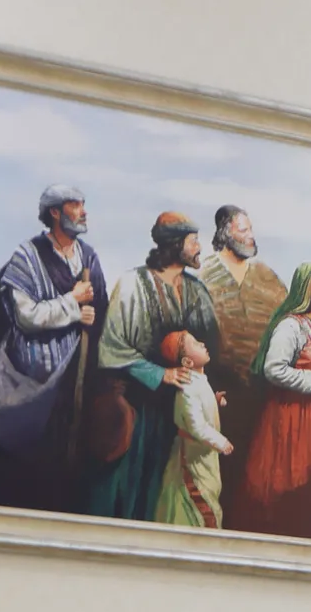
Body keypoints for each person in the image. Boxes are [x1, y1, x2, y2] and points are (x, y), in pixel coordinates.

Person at [0, 185, 106, 497]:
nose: (83, 211)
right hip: (28, 376)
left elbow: (100, 310)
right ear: (54, 212)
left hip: (73, 378)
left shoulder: (89, 257)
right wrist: (73, 304)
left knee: (64, 459)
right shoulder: (27, 256)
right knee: (17, 462)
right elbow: (27, 316)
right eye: (75, 205)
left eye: (83, 204)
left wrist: (92, 318)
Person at [85, 213, 220, 522]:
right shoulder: (133, 284)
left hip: (184, 413)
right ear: (175, 245)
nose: (200, 247)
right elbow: (112, 347)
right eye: (193, 241)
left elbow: (209, 347)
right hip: (141, 412)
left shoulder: (197, 291)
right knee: (137, 496)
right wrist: (161, 374)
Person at [227, 263, 311, 537]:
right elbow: (273, 369)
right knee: (281, 478)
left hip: (308, 415)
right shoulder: (291, 326)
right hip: (287, 416)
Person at [200, 205, 286, 466]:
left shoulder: (266, 276)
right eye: (243, 230)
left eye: (251, 229)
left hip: (261, 391)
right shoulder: (205, 276)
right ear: (226, 234)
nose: (251, 235)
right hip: (219, 393)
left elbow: (286, 319)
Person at [150, 330, 231, 527]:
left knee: (209, 494)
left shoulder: (199, 381)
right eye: (195, 344)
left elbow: (202, 405)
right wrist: (221, 441)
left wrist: (215, 400)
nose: (203, 344)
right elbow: (196, 425)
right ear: (187, 362)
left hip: (204, 456)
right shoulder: (187, 389)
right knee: (199, 503)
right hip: (192, 458)